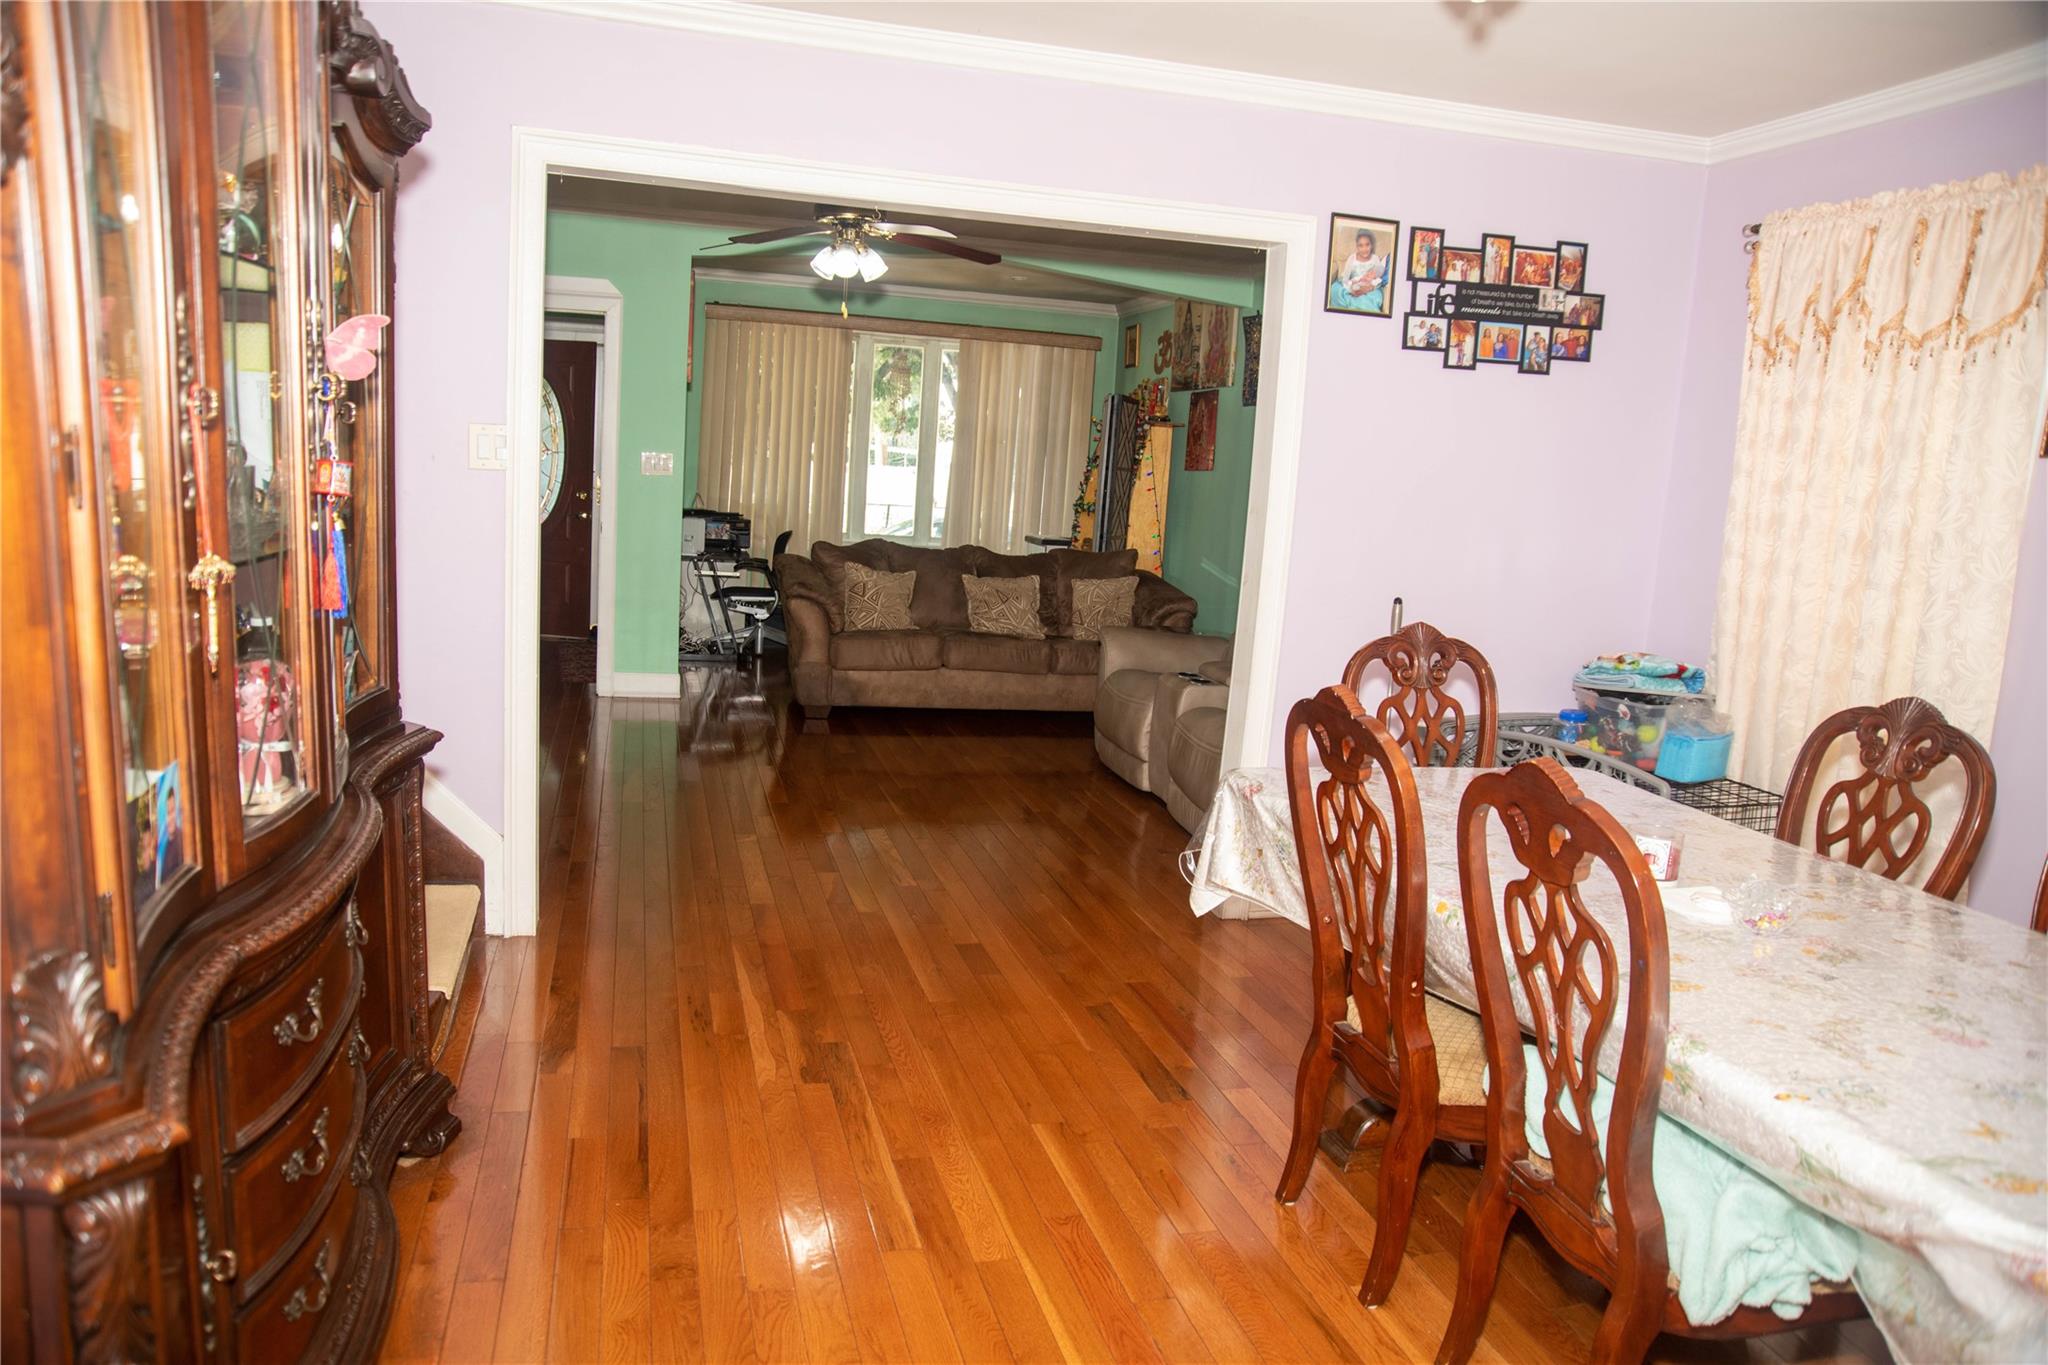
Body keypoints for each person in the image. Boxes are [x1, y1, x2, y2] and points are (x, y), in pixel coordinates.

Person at [1328, 229, 1389, 313]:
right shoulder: (1352, 258)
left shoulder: (1375, 258)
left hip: (1369, 287)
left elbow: (1378, 276)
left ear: (1371, 245)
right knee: (1335, 289)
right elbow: (1345, 278)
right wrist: (1351, 288)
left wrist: (1369, 287)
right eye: (1361, 245)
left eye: (1367, 245)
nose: (1364, 249)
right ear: (1357, 247)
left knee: (1376, 296)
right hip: (1352, 283)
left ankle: (1357, 306)